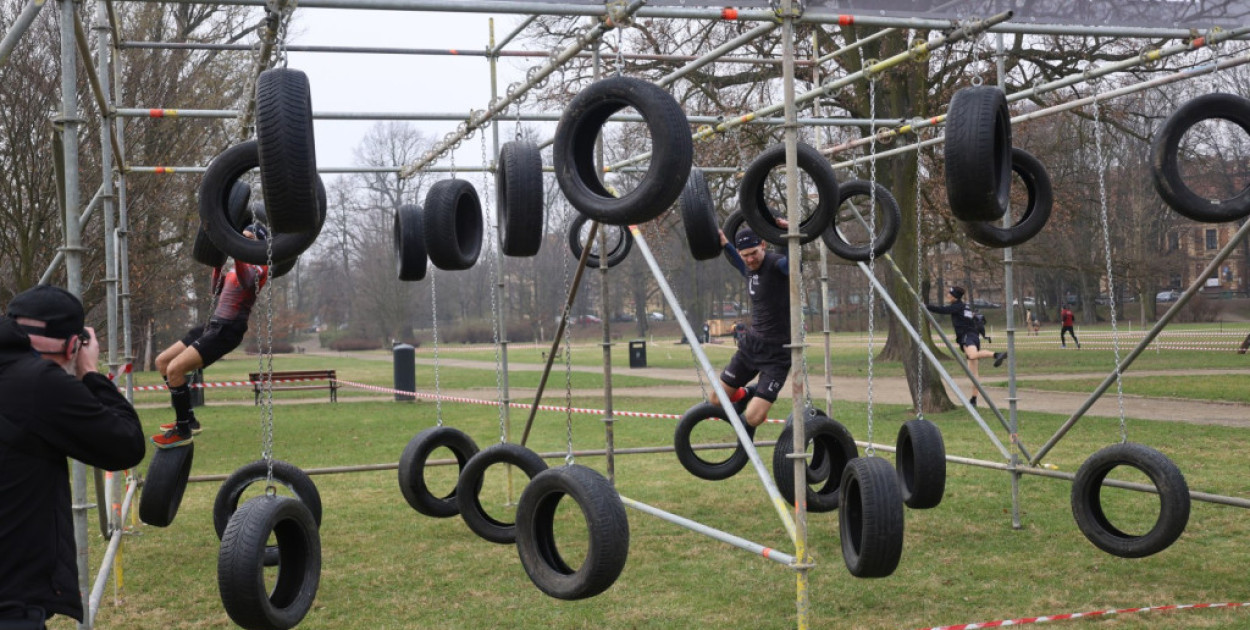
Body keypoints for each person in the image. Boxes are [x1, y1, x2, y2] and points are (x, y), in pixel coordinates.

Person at [0, 285, 146, 627]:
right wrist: (90, 372)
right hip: (10, 602)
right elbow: (126, 444)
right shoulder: (38, 382)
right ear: (71, 346)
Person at [153, 224, 269, 448]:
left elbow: (247, 281)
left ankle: (183, 429)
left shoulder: (260, 267)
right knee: (163, 362)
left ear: (258, 244)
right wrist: (218, 264)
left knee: (175, 369)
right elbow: (215, 288)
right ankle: (189, 419)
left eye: (248, 238)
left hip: (228, 330)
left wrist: (235, 250)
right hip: (212, 324)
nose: (243, 241)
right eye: (241, 237)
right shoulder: (237, 267)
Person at [707, 226, 791, 429]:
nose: (750, 259)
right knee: (716, 399)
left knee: (753, 418)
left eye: (754, 253)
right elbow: (737, 260)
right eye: (745, 255)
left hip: (778, 354)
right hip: (752, 346)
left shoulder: (776, 264)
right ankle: (746, 394)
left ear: (763, 245)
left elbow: (792, 266)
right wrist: (724, 243)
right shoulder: (747, 267)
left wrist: (790, 236)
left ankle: (757, 395)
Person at [926, 286, 1008, 407]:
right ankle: (973, 399)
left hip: (967, 336)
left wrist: (925, 306)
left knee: (972, 355)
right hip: (973, 336)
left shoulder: (957, 306)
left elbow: (942, 310)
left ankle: (996, 355)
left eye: (950, 294)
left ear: (955, 297)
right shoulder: (965, 306)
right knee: (973, 373)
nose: (947, 296)